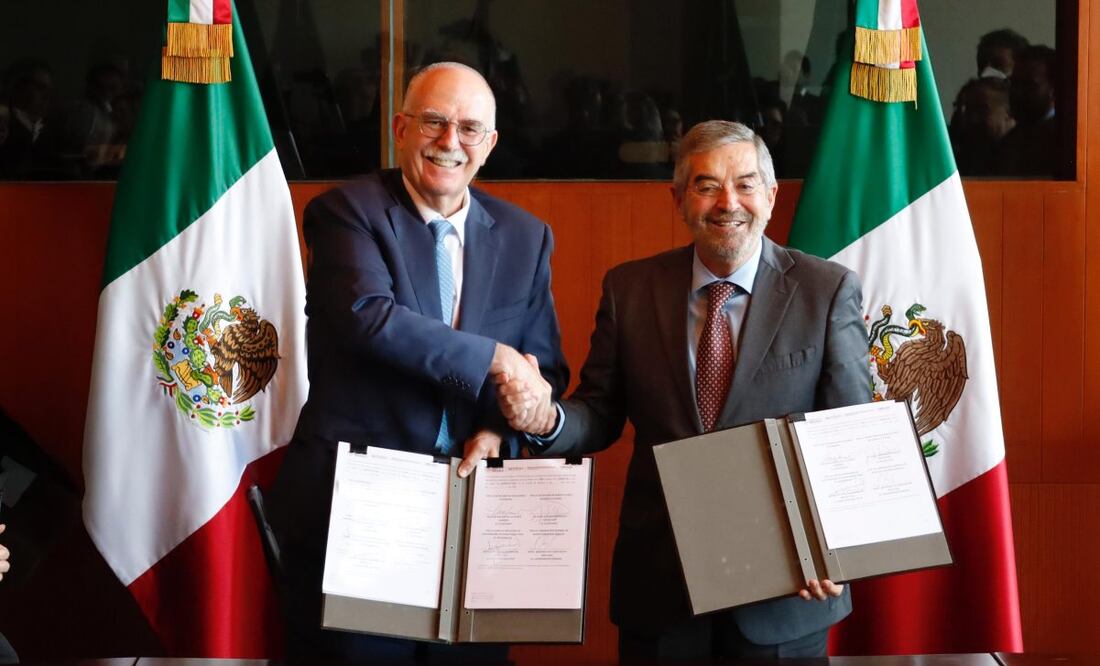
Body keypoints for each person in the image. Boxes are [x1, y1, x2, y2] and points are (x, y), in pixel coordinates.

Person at [487, 120, 871, 660]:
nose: (727, 202)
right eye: (706, 185)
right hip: (663, 587)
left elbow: (850, 433)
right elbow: (598, 413)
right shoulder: (629, 289)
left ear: (771, 195)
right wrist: (544, 418)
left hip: (785, 590)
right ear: (679, 199)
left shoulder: (825, 290)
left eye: (744, 183)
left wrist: (826, 544)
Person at [268, 61, 569, 662]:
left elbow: (546, 373)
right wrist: (495, 358)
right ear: (401, 128)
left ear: (489, 145)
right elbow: (368, 319)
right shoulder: (344, 212)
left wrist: (498, 427)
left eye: (468, 128)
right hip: (362, 510)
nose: (449, 141)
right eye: (433, 121)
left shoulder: (525, 235)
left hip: (471, 515)